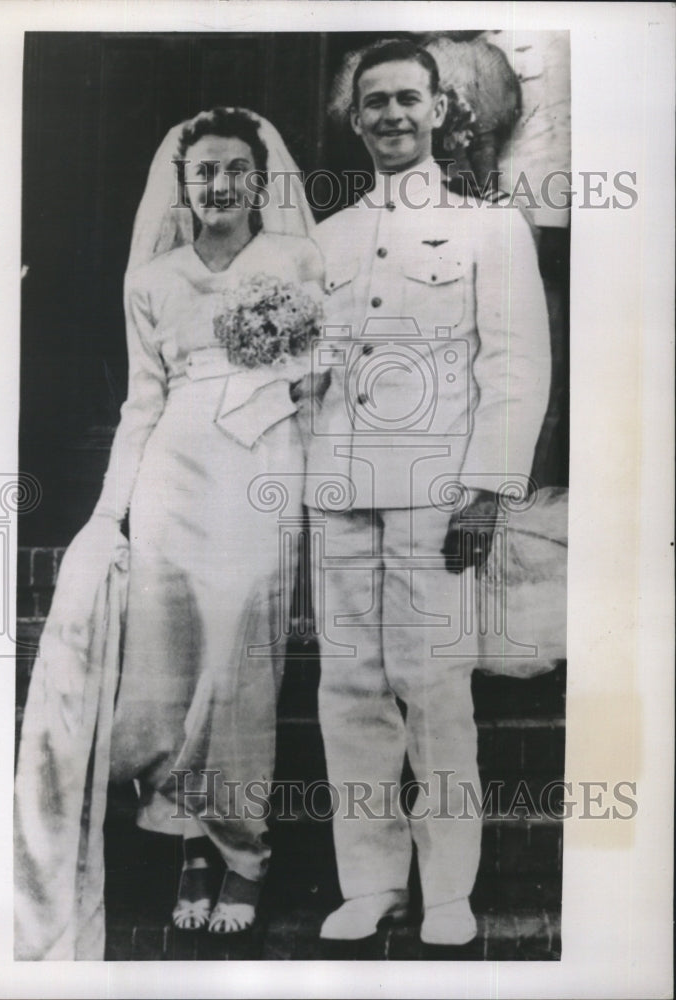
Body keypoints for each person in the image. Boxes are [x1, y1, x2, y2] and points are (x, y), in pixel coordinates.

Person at [304, 40, 551, 945]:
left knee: (436, 686)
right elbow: (319, 368)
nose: (392, 117)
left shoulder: (491, 229)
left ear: (441, 111)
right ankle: (371, 884)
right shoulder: (324, 241)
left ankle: (448, 892)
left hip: (438, 490)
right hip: (339, 485)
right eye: (375, 103)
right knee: (349, 687)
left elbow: (515, 363)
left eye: (409, 99)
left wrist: (486, 487)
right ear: (355, 117)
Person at [81, 107, 323, 934]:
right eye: (204, 173)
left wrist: (295, 381)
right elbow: (140, 402)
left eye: (234, 169)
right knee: (170, 658)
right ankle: (189, 841)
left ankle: (245, 850)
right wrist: (112, 510)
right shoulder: (151, 282)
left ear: (262, 178)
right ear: (182, 188)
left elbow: (326, 367)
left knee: (240, 659)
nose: (219, 184)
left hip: (262, 464)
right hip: (173, 477)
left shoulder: (296, 258)